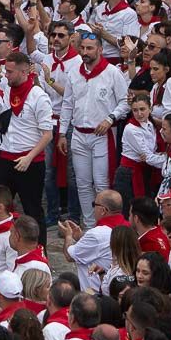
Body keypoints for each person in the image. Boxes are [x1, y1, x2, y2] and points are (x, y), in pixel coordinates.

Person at [59, 29, 128, 227]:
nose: (85, 52)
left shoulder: (112, 73)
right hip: (79, 133)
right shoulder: (74, 72)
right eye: (82, 48)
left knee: (101, 183)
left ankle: (105, 225)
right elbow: (67, 104)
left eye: (90, 48)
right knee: (82, 183)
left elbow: (124, 102)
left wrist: (110, 118)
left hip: (102, 135)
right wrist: (62, 133)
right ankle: (89, 226)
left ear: (99, 49)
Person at [0, 51, 54, 242]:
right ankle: (0, 242)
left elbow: (47, 135)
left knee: (32, 208)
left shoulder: (39, 97)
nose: (6, 75)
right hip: (6, 156)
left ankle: (40, 251)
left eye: (10, 72)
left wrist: (29, 157)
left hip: (29, 161)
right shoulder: (9, 91)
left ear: (24, 71)